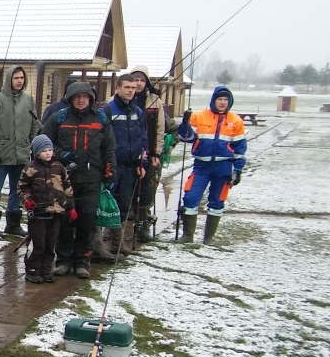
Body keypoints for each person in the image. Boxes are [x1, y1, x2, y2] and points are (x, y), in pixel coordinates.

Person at [43, 82, 117, 279]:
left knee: (87, 222)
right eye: (77, 96)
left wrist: (110, 174)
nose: (81, 100)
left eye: (85, 96)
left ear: (91, 99)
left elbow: (109, 148)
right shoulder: (58, 118)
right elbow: (43, 143)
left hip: (91, 180)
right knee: (64, 220)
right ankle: (64, 260)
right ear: (70, 98)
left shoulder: (101, 118)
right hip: (64, 180)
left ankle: (82, 261)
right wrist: (61, 154)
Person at [175, 86, 247, 244]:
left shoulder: (236, 121)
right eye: (219, 99)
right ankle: (187, 235)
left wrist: (238, 170)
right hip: (201, 166)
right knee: (191, 197)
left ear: (229, 102)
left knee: (217, 201)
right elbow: (186, 138)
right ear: (214, 100)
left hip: (224, 168)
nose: (222, 102)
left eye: (225, 99)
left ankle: (209, 238)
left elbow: (240, 149)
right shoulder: (198, 116)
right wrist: (185, 123)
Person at [0, 65, 42, 237]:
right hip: (1, 154)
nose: (19, 81)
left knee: (17, 191)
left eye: (21, 78)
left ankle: (13, 224)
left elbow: (34, 125)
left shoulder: (28, 100)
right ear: (9, 79)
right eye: (16, 78)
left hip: (22, 154)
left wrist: (31, 144)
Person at [18, 135, 75, 283]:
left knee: (51, 244)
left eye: (50, 150)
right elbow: (22, 188)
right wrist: (28, 201)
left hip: (56, 212)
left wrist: (70, 206)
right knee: (39, 244)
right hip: (38, 213)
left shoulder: (59, 167)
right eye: (44, 151)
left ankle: (46, 270)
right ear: (37, 152)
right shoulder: (30, 168)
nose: (48, 153)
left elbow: (67, 188)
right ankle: (33, 270)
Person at [102, 73, 148, 256]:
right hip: (112, 165)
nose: (131, 90)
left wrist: (141, 162)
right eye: (127, 87)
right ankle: (97, 244)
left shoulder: (138, 111)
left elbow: (143, 138)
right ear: (118, 88)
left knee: (123, 204)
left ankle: (118, 243)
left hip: (131, 167)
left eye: (133, 88)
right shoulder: (107, 110)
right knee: (106, 203)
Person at [129, 66, 168, 242]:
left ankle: (142, 226)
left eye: (141, 80)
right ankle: (120, 227)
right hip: (127, 153)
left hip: (148, 154)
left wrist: (156, 153)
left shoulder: (155, 101)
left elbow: (160, 129)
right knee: (125, 191)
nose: (138, 84)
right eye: (135, 80)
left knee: (146, 191)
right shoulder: (120, 98)